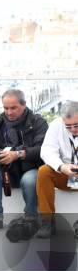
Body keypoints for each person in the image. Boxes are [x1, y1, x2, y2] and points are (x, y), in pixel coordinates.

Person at [0, 89, 48, 232]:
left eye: (13, 108)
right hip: (6, 169)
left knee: (29, 181)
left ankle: (31, 219)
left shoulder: (38, 122)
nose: (9, 112)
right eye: (5, 108)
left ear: (24, 105)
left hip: (31, 168)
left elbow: (43, 149)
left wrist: (17, 154)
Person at [36, 101, 78, 238]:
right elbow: (47, 151)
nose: (73, 130)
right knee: (44, 172)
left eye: (76, 125)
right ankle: (47, 222)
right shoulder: (56, 125)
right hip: (66, 173)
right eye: (68, 126)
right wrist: (62, 167)